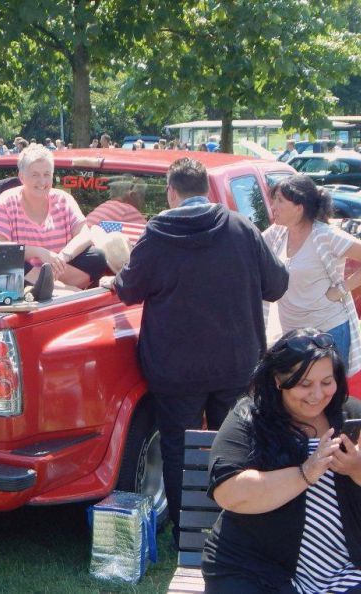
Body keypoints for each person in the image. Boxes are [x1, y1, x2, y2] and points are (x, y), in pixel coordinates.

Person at [100, 157, 289, 547]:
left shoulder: (158, 233)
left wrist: (114, 277)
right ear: (206, 189)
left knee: (179, 447)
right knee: (234, 442)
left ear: (172, 192)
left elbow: (129, 288)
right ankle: (234, 524)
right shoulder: (241, 228)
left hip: (175, 367)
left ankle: (186, 534)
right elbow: (277, 284)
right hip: (235, 362)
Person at [202, 328, 361, 593]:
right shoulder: (249, 418)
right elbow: (229, 493)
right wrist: (305, 472)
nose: (317, 394)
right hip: (253, 566)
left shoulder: (353, 414)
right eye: (304, 384)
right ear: (278, 380)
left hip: (350, 565)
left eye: (326, 382)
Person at [263, 175, 361, 376]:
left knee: (329, 391)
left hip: (328, 331)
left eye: (279, 200)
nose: (273, 207)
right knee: (294, 390)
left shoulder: (325, 235)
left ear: (299, 207)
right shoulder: (277, 233)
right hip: (291, 334)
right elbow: (249, 249)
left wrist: (341, 289)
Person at [0, 144, 107, 291]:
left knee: (97, 257)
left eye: (46, 174)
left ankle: (51, 286)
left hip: (61, 268)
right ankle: (64, 290)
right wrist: (39, 252)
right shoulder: (6, 202)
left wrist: (63, 257)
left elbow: (85, 234)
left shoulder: (63, 199)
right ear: (21, 177)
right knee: (10, 260)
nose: (42, 182)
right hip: (25, 276)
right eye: (35, 175)